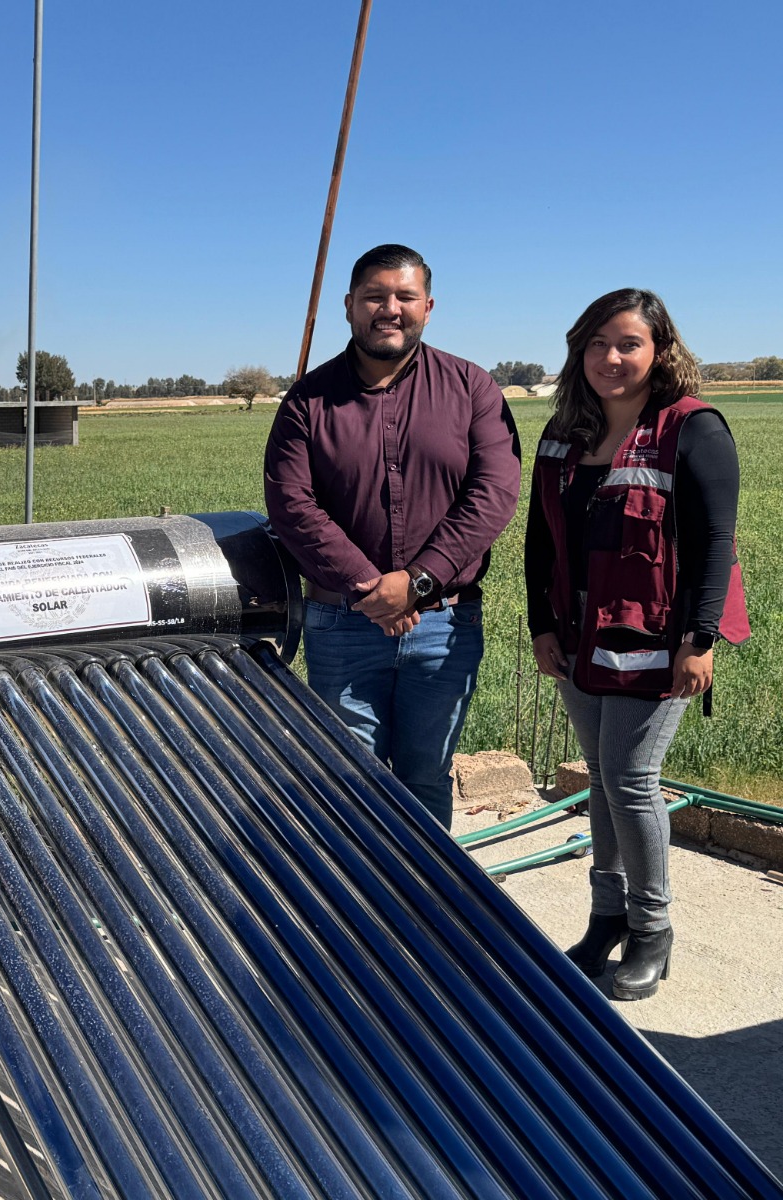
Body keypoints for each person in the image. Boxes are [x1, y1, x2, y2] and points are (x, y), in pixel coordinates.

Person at [525, 288, 748, 1001]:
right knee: (600, 775)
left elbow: (717, 544)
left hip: (660, 635)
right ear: (578, 351)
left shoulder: (693, 429)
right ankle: (606, 916)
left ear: (660, 350)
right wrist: (540, 625)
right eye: (597, 344)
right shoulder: (564, 433)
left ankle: (653, 931)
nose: (611, 358)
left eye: (628, 344)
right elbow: (538, 542)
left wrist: (701, 638)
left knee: (629, 777)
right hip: (579, 632)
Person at [264, 244, 522, 828]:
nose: (390, 308)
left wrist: (419, 582)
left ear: (427, 307)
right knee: (352, 778)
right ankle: (362, 913)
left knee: (427, 774)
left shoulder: (472, 389)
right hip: (342, 626)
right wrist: (371, 588)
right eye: (375, 296)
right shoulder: (307, 402)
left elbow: (494, 493)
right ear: (350, 306)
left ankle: (429, 912)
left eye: (405, 296)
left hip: (444, 626)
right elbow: (291, 503)